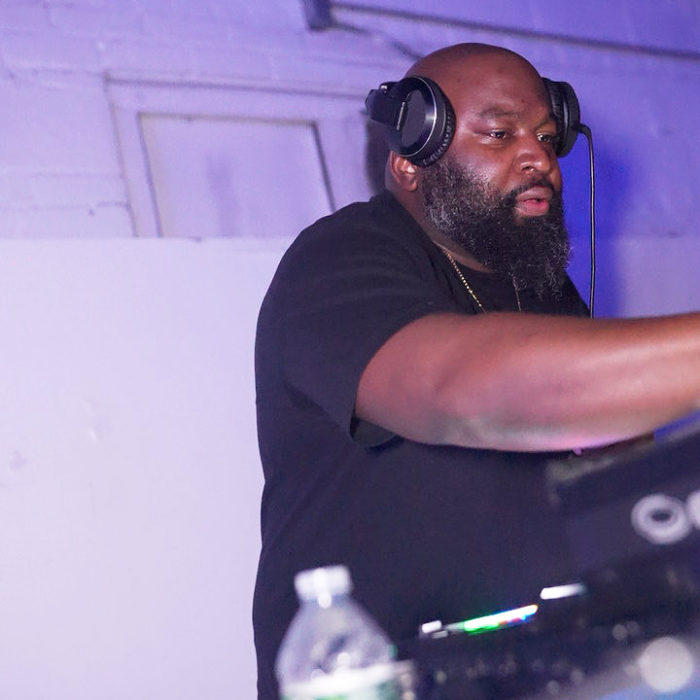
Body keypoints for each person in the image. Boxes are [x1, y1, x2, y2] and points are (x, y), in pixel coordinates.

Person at [252, 43, 700, 699]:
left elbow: (615, 468)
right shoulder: (339, 259)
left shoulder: (543, 290)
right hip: (383, 678)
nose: (540, 158)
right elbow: (457, 390)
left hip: (545, 670)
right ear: (410, 159)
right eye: (500, 134)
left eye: (547, 136)